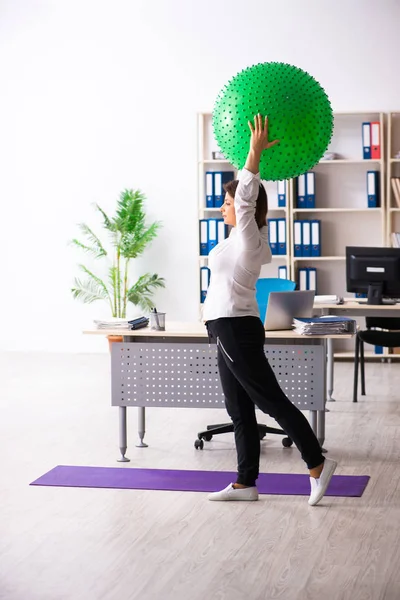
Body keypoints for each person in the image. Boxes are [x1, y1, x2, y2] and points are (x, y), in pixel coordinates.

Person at [203, 114, 337, 506]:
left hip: (234, 327)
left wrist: (253, 154)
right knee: (239, 407)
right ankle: (246, 483)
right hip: (227, 327)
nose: (224, 207)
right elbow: (245, 206)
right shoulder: (241, 239)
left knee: (269, 400)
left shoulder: (249, 240)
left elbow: (246, 200)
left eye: (227, 203)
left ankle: (317, 463)